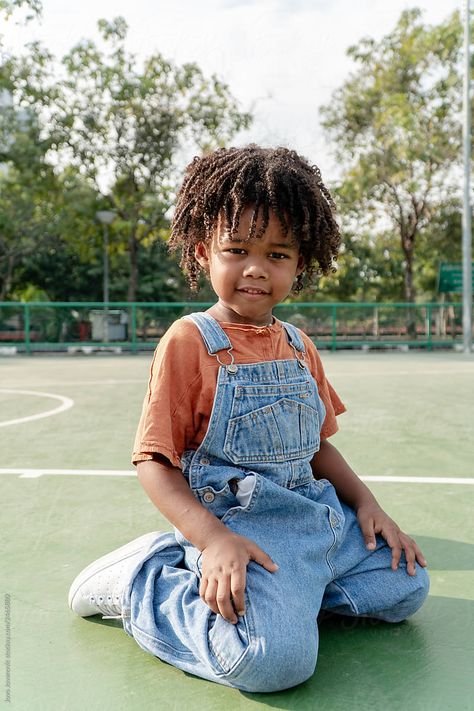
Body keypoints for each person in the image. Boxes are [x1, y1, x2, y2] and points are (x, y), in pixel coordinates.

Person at [68, 145, 429, 693]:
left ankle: (286, 600)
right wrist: (213, 540)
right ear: (203, 253)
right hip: (243, 529)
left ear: (300, 265)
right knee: (270, 663)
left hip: (316, 522)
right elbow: (153, 461)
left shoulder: (299, 345)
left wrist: (370, 507)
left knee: (406, 586)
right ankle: (144, 584)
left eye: (278, 254)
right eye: (236, 248)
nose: (256, 267)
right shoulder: (190, 342)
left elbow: (318, 450)